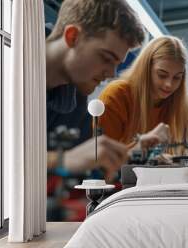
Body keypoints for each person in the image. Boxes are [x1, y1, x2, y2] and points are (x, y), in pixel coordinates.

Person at [45, 0, 146, 179]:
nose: (110, 74)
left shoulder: (78, 100)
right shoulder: (6, 60)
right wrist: (61, 160)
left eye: (116, 64)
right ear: (73, 36)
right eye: (106, 58)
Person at [98, 36, 188, 151]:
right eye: (162, 75)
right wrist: (141, 147)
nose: (169, 84)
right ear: (146, 68)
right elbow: (100, 158)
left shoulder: (180, 105)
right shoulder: (116, 95)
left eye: (177, 77)